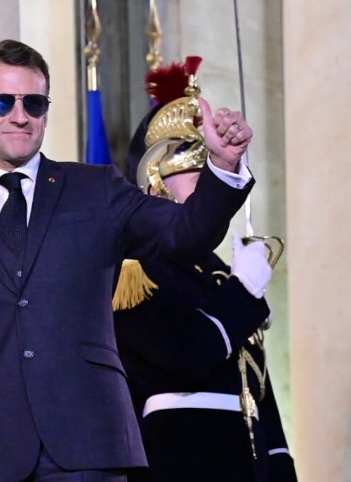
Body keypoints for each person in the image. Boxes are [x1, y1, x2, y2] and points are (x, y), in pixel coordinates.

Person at [0, 39, 257, 482]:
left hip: (90, 444)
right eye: (0, 102)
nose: (20, 115)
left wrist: (223, 167)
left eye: (33, 103)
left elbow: (185, 233)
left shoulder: (97, 190)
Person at [112, 58, 298, 481]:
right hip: (178, 457)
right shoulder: (133, 269)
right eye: (194, 165)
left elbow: (260, 397)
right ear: (154, 176)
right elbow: (184, 356)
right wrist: (243, 295)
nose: (206, 178)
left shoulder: (219, 273)